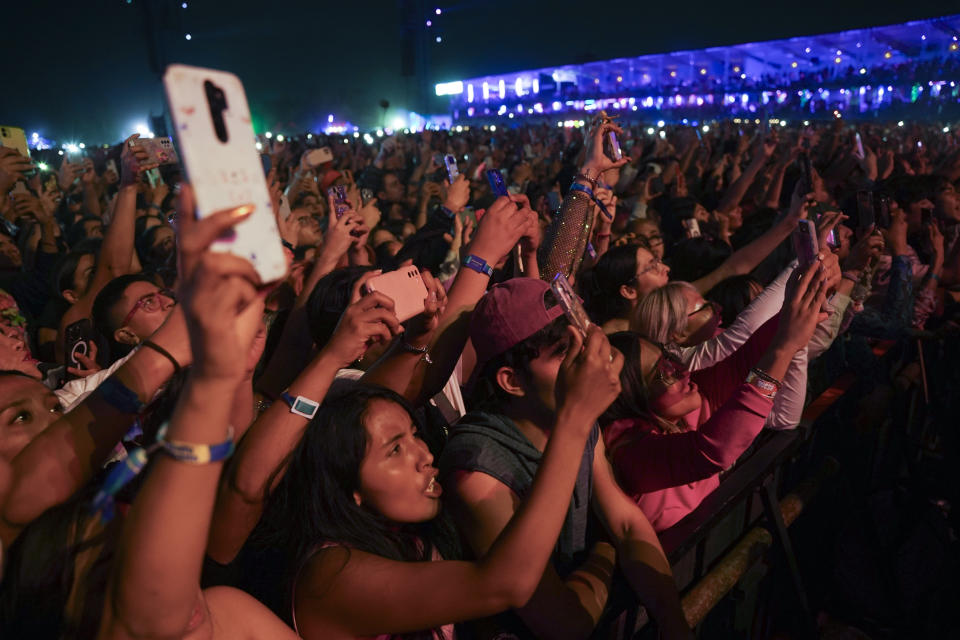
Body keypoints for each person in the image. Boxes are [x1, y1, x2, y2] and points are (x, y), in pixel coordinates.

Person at [260, 325, 623, 639]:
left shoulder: (413, 539)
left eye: (415, 435)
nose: (425, 455)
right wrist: (575, 420)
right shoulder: (330, 576)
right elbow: (506, 583)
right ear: (346, 486)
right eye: (395, 450)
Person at [439, 278, 691, 639]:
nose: (586, 360)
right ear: (512, 381)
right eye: (562, 351)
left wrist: (674, 623)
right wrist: (604, 550)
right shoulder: (479, 466)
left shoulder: (572, 417)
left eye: (584, 341)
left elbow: (626, 524)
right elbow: (563, 624)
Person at [600, 258, 829, 531]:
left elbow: (745, 354)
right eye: (661, 373)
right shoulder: (631, 449)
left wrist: (803, 294)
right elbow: (713, 450)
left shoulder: (685, 407)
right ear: (632, 396)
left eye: (669, 362)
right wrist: (784, 344)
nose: (682, 373)